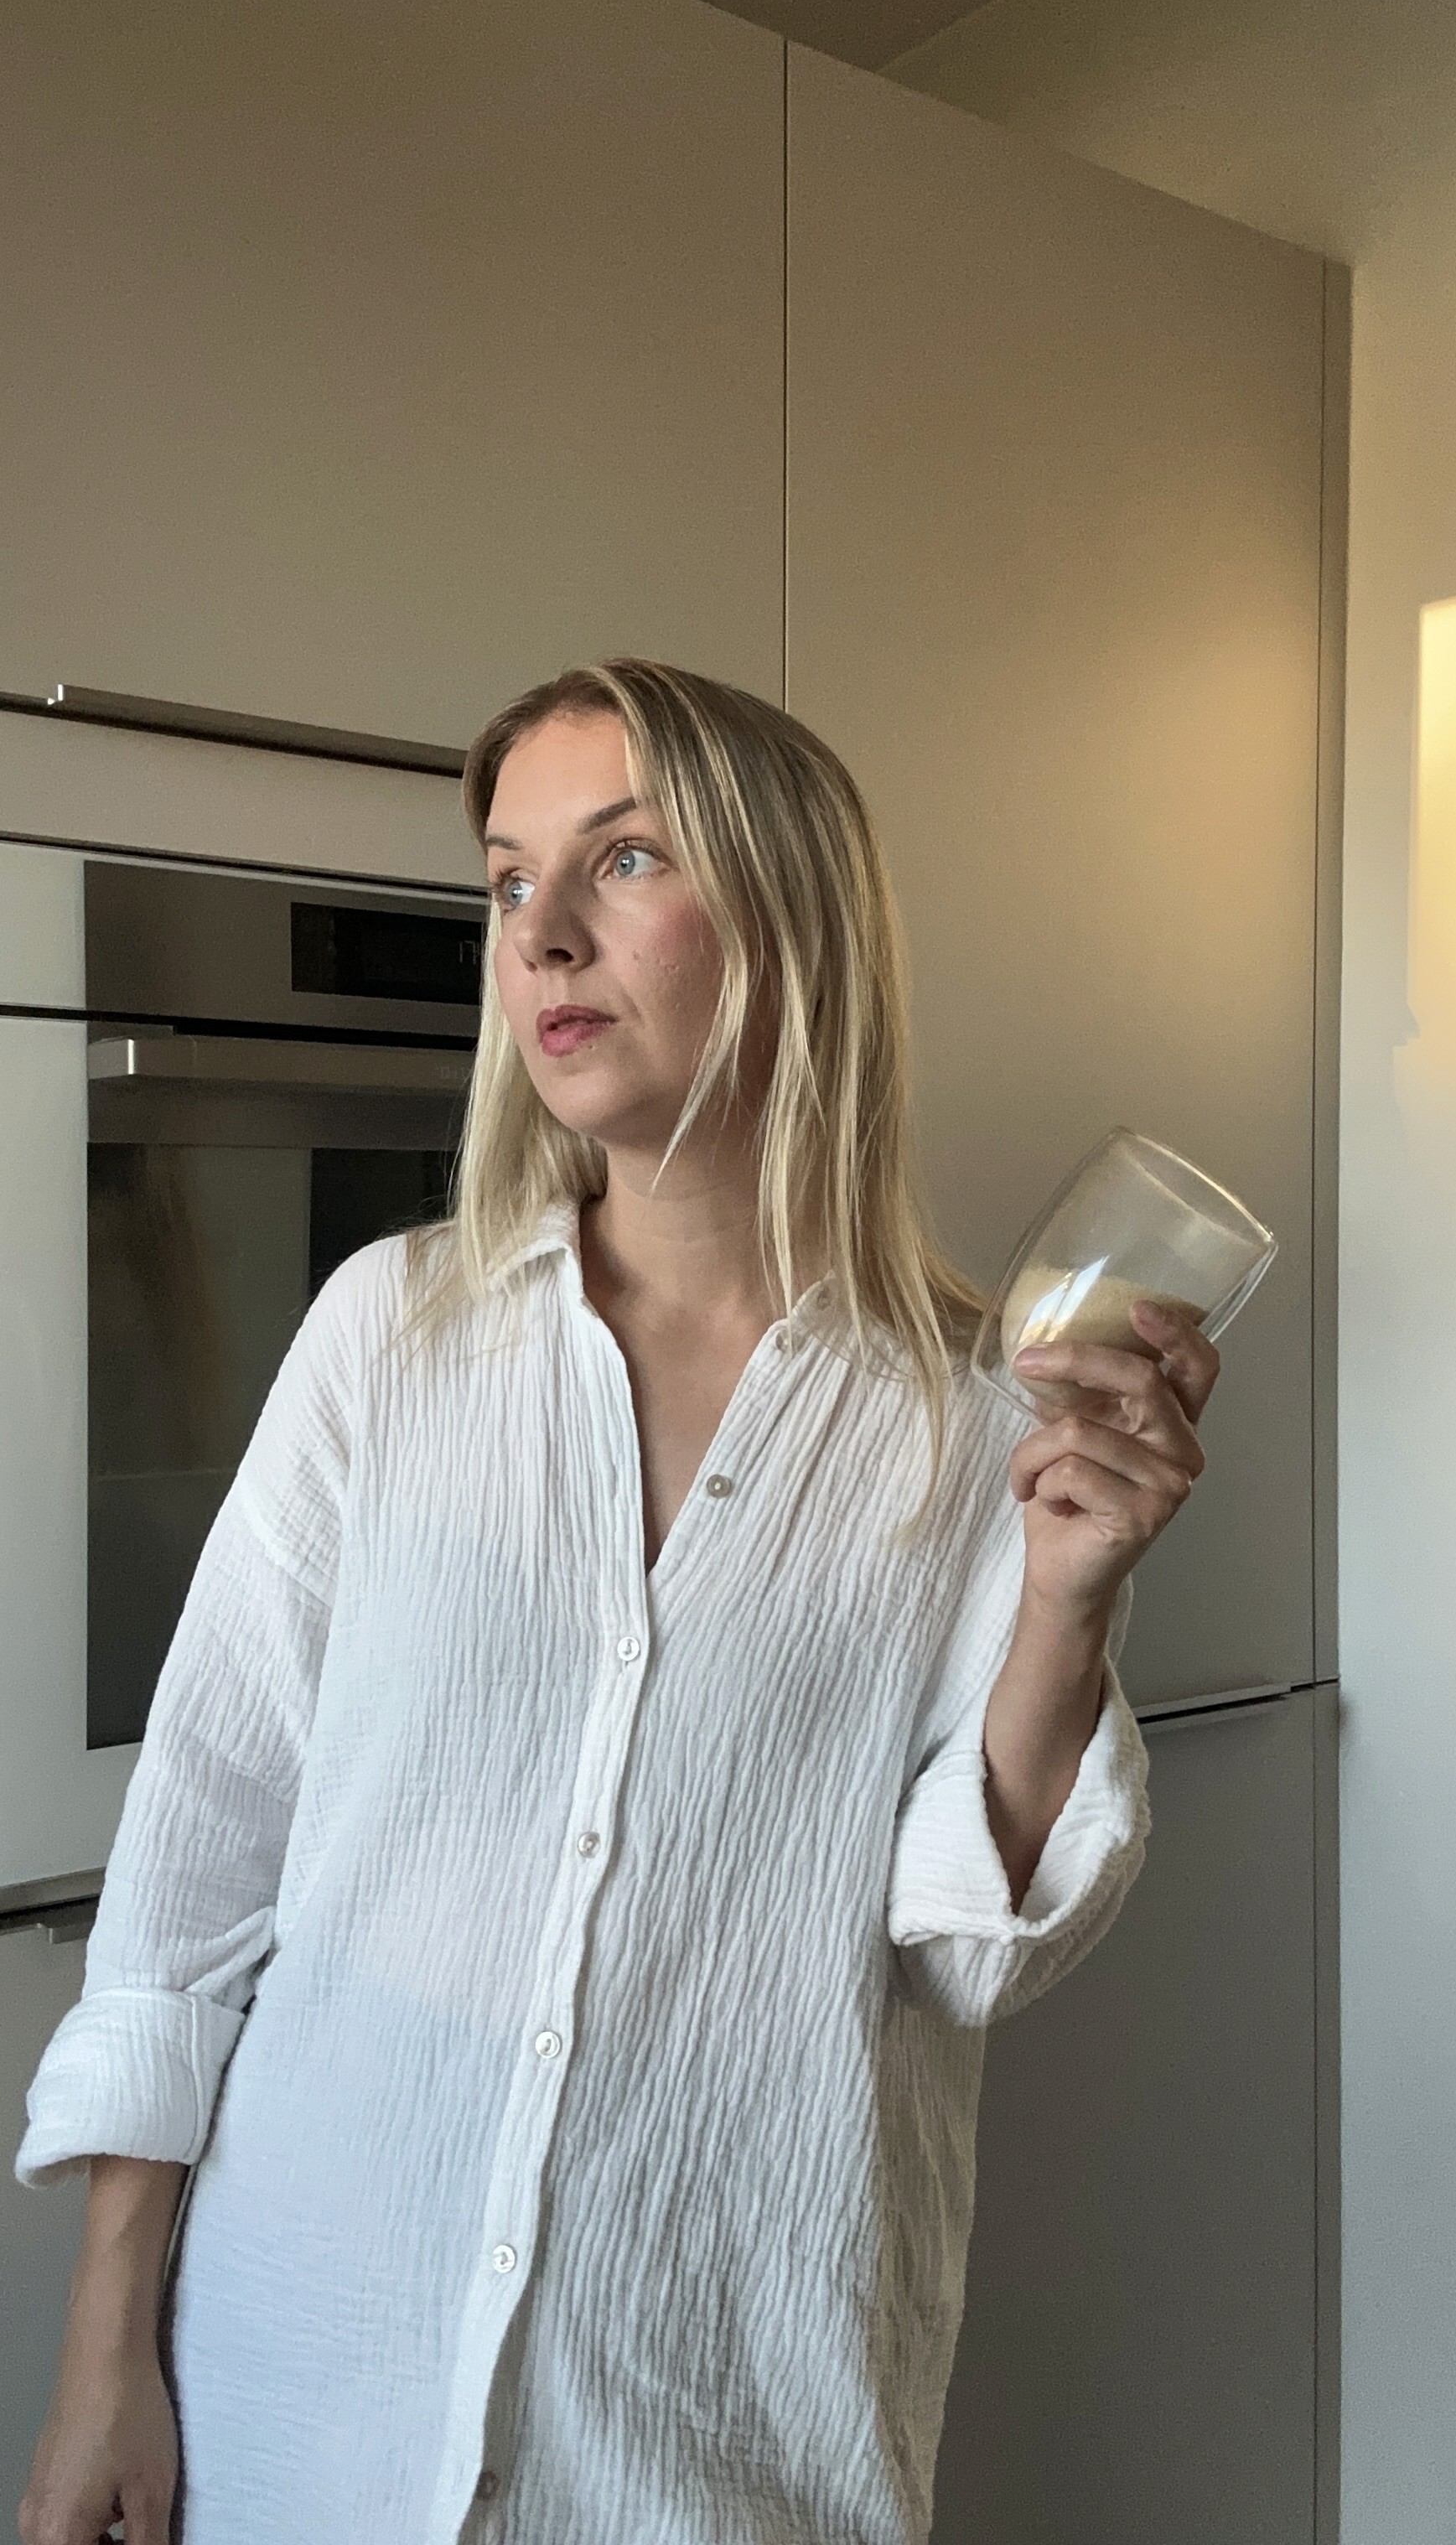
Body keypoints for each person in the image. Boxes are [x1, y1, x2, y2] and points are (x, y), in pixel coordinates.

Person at [15, 661, 1216, 2545]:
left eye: (625, 857)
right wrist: (106, 2354)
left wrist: (1064, 1603)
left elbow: (968, 1955)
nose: (540, 934)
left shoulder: (977, 1418)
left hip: (714, 2432)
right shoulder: (389, 1335)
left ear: (793, 919)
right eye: (508, 880)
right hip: (302, 2396)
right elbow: (201, 1849)